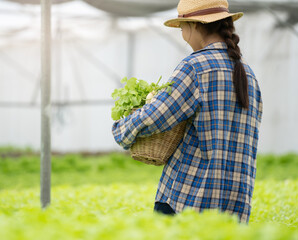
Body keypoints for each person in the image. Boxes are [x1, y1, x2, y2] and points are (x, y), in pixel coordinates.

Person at [112, 0, 263, 224]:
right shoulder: (248, 75)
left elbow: (157, 114)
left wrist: (121, 130)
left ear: (194, 25)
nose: (182, 34)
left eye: (182, 27)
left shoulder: (195, 66)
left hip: (188, 199)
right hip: (235, 206)